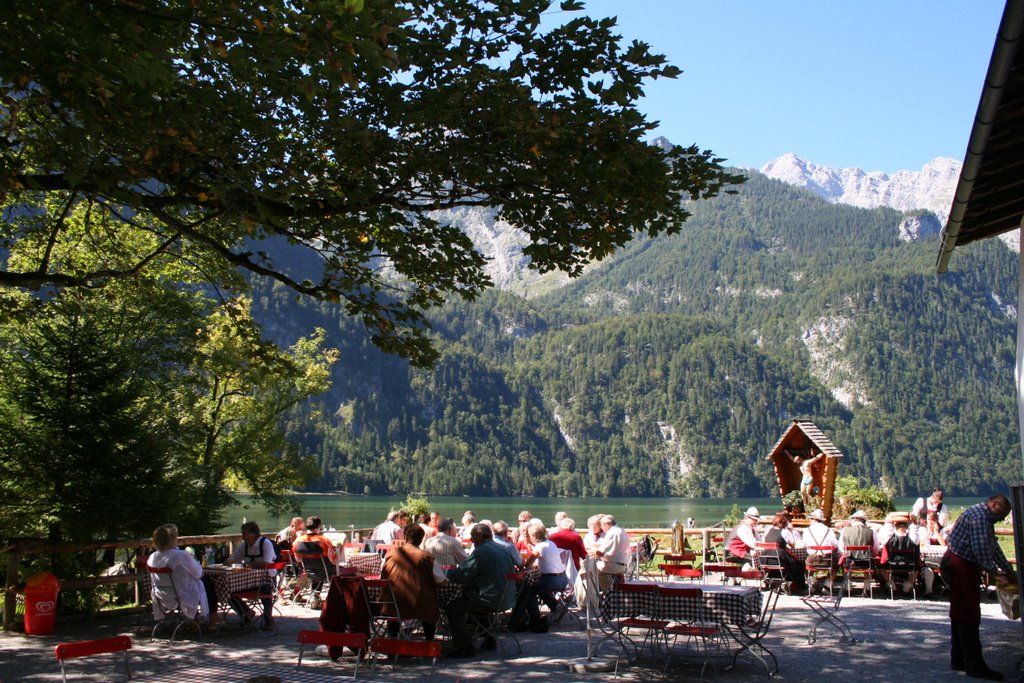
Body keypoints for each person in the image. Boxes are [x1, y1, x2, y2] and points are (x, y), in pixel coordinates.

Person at [943, 494, 1015, 680]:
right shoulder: (980, 518)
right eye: (1001, 514)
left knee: (959, 613)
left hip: (959, 563)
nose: (1001, 519)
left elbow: (992, 546)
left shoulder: (982, 515)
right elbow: (981, 551)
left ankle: (959, 659)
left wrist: (1007, 568)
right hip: (962, 565)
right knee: (968, 615)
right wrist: (997, 572)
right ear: (994, 504)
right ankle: (974, 664)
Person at [443, 523, 516, 658]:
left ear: (480, 536)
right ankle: (489, 638)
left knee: (454, 606)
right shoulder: (503, 548)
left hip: (491, 599)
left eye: (472, 537)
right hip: (506, 598)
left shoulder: (482, 551)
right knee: (473, 599)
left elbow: (463, 574)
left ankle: (464, 647)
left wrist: (445, 573)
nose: (471, 540)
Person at [147, 524, 219, 629]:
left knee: (202, 582)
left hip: (162, 596)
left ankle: (195, 619)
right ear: (172, 539)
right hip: (181, 595)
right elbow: (198, 573)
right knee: (207, 581)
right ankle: (212, 618)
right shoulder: (181, 555)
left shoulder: (153, 557)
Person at [380, 523, 443, 640]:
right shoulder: (426, 557)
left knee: (395, 605)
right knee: (430, 606)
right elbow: (440, 580)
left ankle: (391, 639)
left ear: (405, 537)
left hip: (393, 603)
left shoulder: (390, 555)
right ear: (421, 539)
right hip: (418, 604)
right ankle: (429, 640)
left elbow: (382, 577)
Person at [511, 523, 567, 631]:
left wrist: (522, 563)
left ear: (534, 536)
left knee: (528, 588)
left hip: (552, 580)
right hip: (563, 578)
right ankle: (553, 608)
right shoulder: (551, 543)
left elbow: (527, 564)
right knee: (535, 587)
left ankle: (527, 617)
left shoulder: (540, 547)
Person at [226, 521, 277, 630]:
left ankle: (269, 619)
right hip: (248, 580)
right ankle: (246, 613)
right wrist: (228, 561)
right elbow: (234, 558)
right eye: (242, 533)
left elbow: (266, 564)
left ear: (254, 534)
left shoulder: (265, 543)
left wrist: (247, 564)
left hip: (267, 578)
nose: (242, 536)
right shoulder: (244, 545)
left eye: (245, 533)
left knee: (264, 587)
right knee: (227, 590)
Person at [761, 512, 805, 591]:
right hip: (778, 558)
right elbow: (793, 546)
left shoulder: (768, 530)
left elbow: (764, 542)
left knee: (788, 562)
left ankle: (774, 582)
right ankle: (797, 586)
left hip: (766, 559)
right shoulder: (785, 532)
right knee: (798, 564)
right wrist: (791, 531)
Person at [838, 510, 879, 594]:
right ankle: (867, 588)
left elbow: (841, 548)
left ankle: (848, 588)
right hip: (866, 561)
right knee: (868, 565)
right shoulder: (872, 531)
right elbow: (876, 548)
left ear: (854, 519)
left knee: (844, 562)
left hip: (850, 560)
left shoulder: (845, 531)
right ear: (864, 521)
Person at [801, 509, 838, 594]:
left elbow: (804, 545)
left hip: (812, 560)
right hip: (827, 560)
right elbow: (835, 544)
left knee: (806, 564)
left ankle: (812, 584)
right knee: (835, 565)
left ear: (813, 519)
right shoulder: (829, 530)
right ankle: (827, 585)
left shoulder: (807, 530)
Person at [593, 514, 630, 591]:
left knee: (592, 568)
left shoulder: (612, 533)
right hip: (623, 563)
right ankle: (609, 589)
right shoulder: (620, 530)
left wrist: (593, 551)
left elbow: (600, 552)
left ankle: (607, 592)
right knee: (596, 567)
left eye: (602, 526)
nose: (602, 528)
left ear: (606, 524)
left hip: (614, 565)